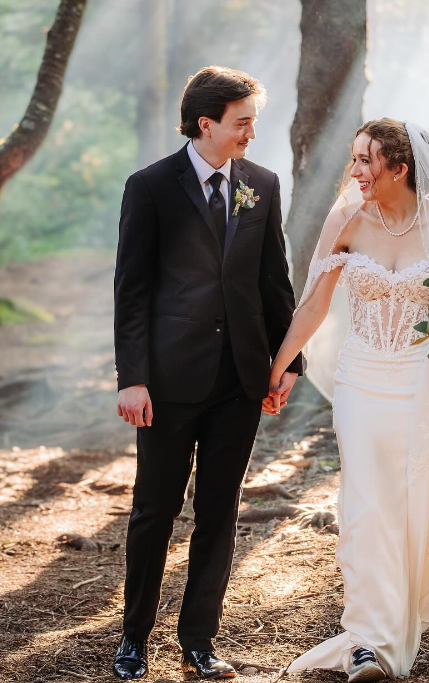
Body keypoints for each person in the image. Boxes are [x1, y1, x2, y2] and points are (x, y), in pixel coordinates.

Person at [268, 119, 429, 682]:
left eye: (365, 161)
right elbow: (312, 305)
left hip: (419, 382)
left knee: (413, 502)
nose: (354, 171)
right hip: (360, 382)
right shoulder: (346, 217)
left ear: (400, 169)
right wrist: (276, 367)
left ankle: (393, 629)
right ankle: (366, 642)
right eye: (354, 158)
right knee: (365, 504)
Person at [112, 66, 302, 681]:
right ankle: (134, 640)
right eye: (242, 121)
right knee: (154, 512)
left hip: (240, 382)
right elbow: (132, 290)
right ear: (206, 123)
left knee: (219, 512)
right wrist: (132, 376)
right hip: (165, 383)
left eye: (253, 121)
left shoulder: (263, 184)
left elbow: (275, 281)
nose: (251, 132)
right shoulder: (150, 187)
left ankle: (199, 640)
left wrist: (287, 361)